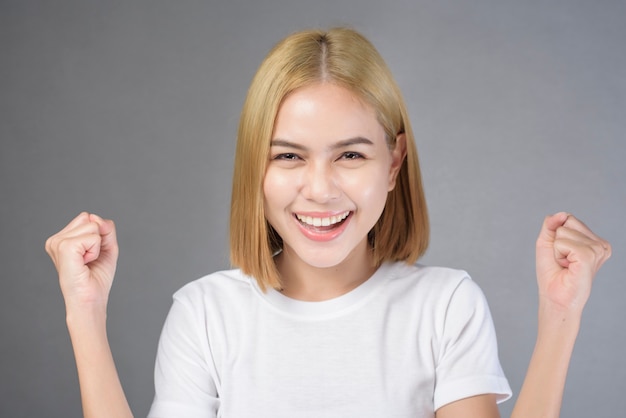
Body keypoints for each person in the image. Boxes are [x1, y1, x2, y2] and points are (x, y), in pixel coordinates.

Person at [45, 27, 611, 418]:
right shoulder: (205, 315)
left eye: (350, 155)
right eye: (288, 155)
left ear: (394, 164)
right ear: (254, 169)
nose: (319, 188)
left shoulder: (445, 305)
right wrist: (86, 317)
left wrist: (561, 315)